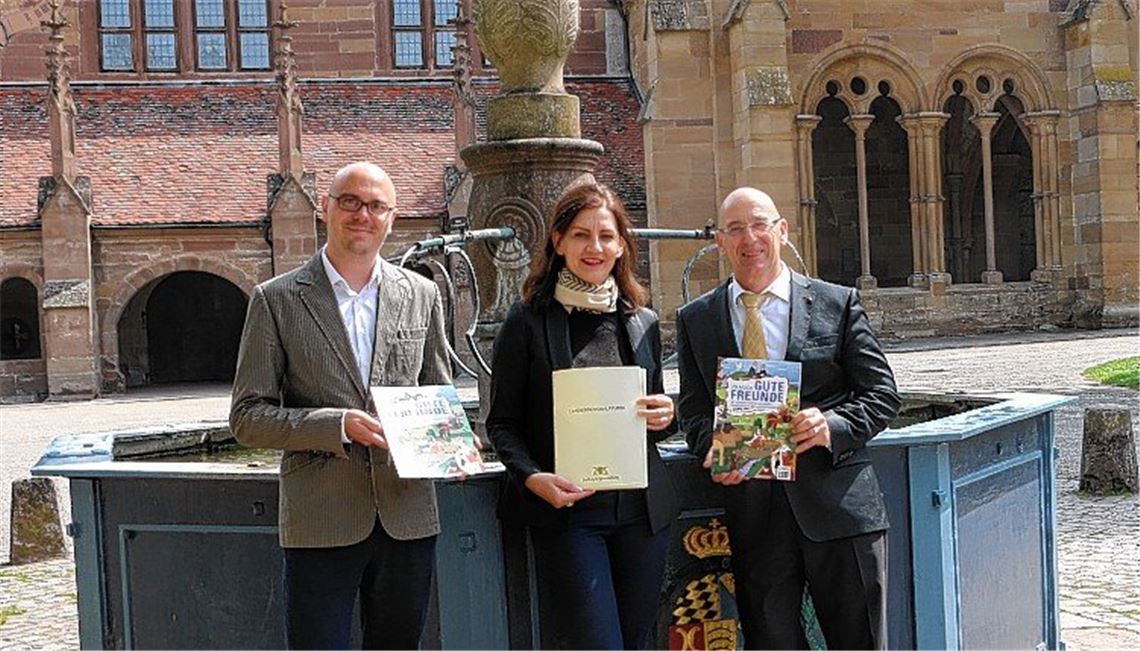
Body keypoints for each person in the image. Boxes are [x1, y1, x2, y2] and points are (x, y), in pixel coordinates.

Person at [230, 162, 449, 649]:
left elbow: (437, 393)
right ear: (325, 208)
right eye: (349, 201)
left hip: (407, 514)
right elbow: (247, 417)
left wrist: (451, 443)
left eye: (375, 206)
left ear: (392, 218)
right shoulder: (276, 299)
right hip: (321, 518)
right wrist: (338, 425)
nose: (362, 214)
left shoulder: (423, 294)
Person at [675, 187, 901, 650]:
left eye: (760, 224)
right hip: (755, 518)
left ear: (782, 231)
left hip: (839, 508)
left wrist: (831, 426)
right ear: (719, 241)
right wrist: (712, 445)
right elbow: (693, 413)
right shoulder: (696, 319)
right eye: (735, 229)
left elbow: (882, 396)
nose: (749, 238)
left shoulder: (837, 303)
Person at [486, 183, 679, 650]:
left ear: (620, 246)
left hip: (642, 516)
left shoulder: (641, 320)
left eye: (606, 236)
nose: (594, 248)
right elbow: (501, 424)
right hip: (571, 517)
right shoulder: (527, 320)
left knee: (637, 643)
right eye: (580, 235)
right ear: (557, 242)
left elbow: (655, 415)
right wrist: (532, 478)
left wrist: (666, 414)